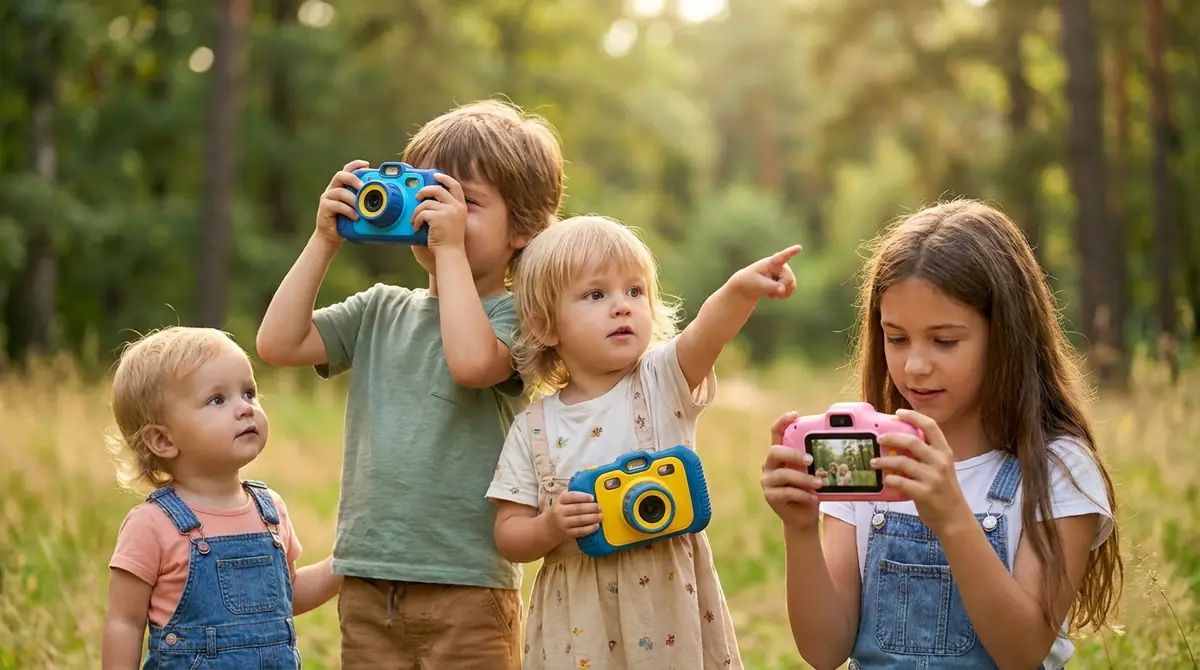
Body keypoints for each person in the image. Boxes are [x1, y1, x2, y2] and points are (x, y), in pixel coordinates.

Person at [255, 100, 565, 669]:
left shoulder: (520, 316)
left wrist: (448, 250)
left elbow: (472, 364)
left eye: (464, 202)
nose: (435, 214)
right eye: (426, 192)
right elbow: (278, 343)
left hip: (468, 584)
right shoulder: (379, 309)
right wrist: (325, 240)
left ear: (523, 228)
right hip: (369, 581)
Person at [759, 199, 1123, 670]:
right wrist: (800, 530)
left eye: (945, 341)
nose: (915, 365)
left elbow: (1023, 652)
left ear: (1007, 335)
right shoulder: (867, 458)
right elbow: (824, 651)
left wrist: (952, 517)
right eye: (896, 338)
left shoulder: (1056, 468)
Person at [487, 215, 801, 669]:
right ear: (544, 326)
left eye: (635, 291)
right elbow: (509, 535)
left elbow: (708, 332)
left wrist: (741, 290)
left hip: (667, 603)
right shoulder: (533, 427)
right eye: (596, 294)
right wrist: (550, 527)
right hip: (581, 625)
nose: (622, 306)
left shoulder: (661, 382)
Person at [101, 327, 341, 670]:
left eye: (248, 393)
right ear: (163, 440)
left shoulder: (270, 511)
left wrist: (343, 563)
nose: (245, 408)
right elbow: (124, 621)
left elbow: (289, 594)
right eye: (217, 399)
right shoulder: (152, 525)